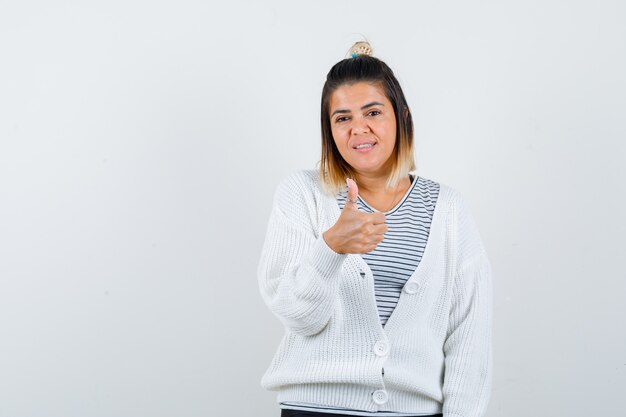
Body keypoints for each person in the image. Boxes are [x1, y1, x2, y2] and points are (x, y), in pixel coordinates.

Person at [257, 41, 493, 417]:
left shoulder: (448, 209)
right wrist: (331, 246)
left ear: (401, 116)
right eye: (342, 117)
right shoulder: (302, 193)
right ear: (329, 130)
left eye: (372, 112)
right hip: (316, 408)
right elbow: (299, 316)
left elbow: (469, 336)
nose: (358, 128)